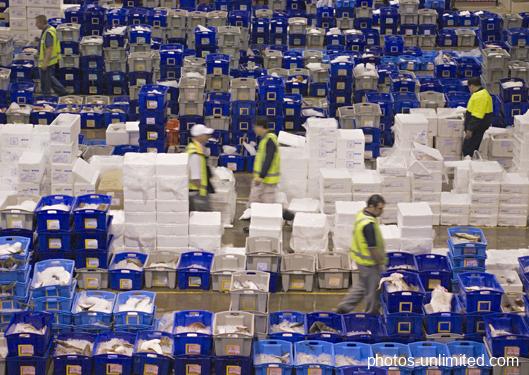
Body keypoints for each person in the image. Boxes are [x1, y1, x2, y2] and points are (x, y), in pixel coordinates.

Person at [337, 194, 388, 315]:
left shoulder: (362, 214)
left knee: (362, 286)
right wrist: (380, 262)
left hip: (361, 261)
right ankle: (371, 314)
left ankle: (344, 307)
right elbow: (372, 248)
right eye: (380, 208)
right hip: (370, 262)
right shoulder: (368, 225)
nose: (382, 211)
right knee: (373, 290)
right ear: (371, 206)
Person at [249, 117, 281, 205]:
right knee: (255, 205)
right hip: (262, 180)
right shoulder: (265, 139)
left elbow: (269, 158)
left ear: (260, 127)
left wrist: (261, 176)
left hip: (267, 181)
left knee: (267, 208)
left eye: (255, 127)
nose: (254, 129)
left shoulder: (270, 140)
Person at [35, 15, 67, 96]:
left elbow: (49, 48)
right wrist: (39, 40)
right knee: (50, 80)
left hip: (48, 62)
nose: (36, 25)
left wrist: (45, 63)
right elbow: (46, 44)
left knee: (46, 83)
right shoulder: (48, 30)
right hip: (49, 62)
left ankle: (49, 97)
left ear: (41, 23)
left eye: (37, 23)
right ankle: (62, 93)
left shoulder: (48, 32)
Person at [462, 77, 493, 157]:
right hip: (477, 126)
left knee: (468, 149)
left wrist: (470, 129)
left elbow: (477, 115)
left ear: (471, 86)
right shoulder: (481, 93)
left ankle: (469, 165)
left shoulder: (480, 96)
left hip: (477, 127)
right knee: (470, 147)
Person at [187, 124, 215, 211]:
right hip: (198, 193)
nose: (208, 137)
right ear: (199, 136)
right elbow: (195, 178)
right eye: (205, 135)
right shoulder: (195, 153)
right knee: (204, 219)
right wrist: (201, 191)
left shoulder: (198, 150)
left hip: (199, 193)